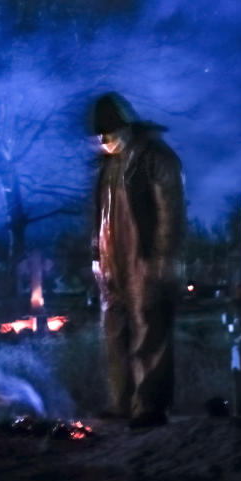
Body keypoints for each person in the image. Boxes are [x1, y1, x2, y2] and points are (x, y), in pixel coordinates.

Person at [89, 92, 185, 428]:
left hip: (143, 258)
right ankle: (122, 400)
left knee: (150, 329)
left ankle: (150, 405)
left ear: (127, 127)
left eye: (109, 132)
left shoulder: (155, 158)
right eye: (99, 134)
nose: (103, 140)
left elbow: (170, 210)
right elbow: (100, 215)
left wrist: (161, 256)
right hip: (112, 260)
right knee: (115, 330)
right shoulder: (109, 165)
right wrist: (96, 257)